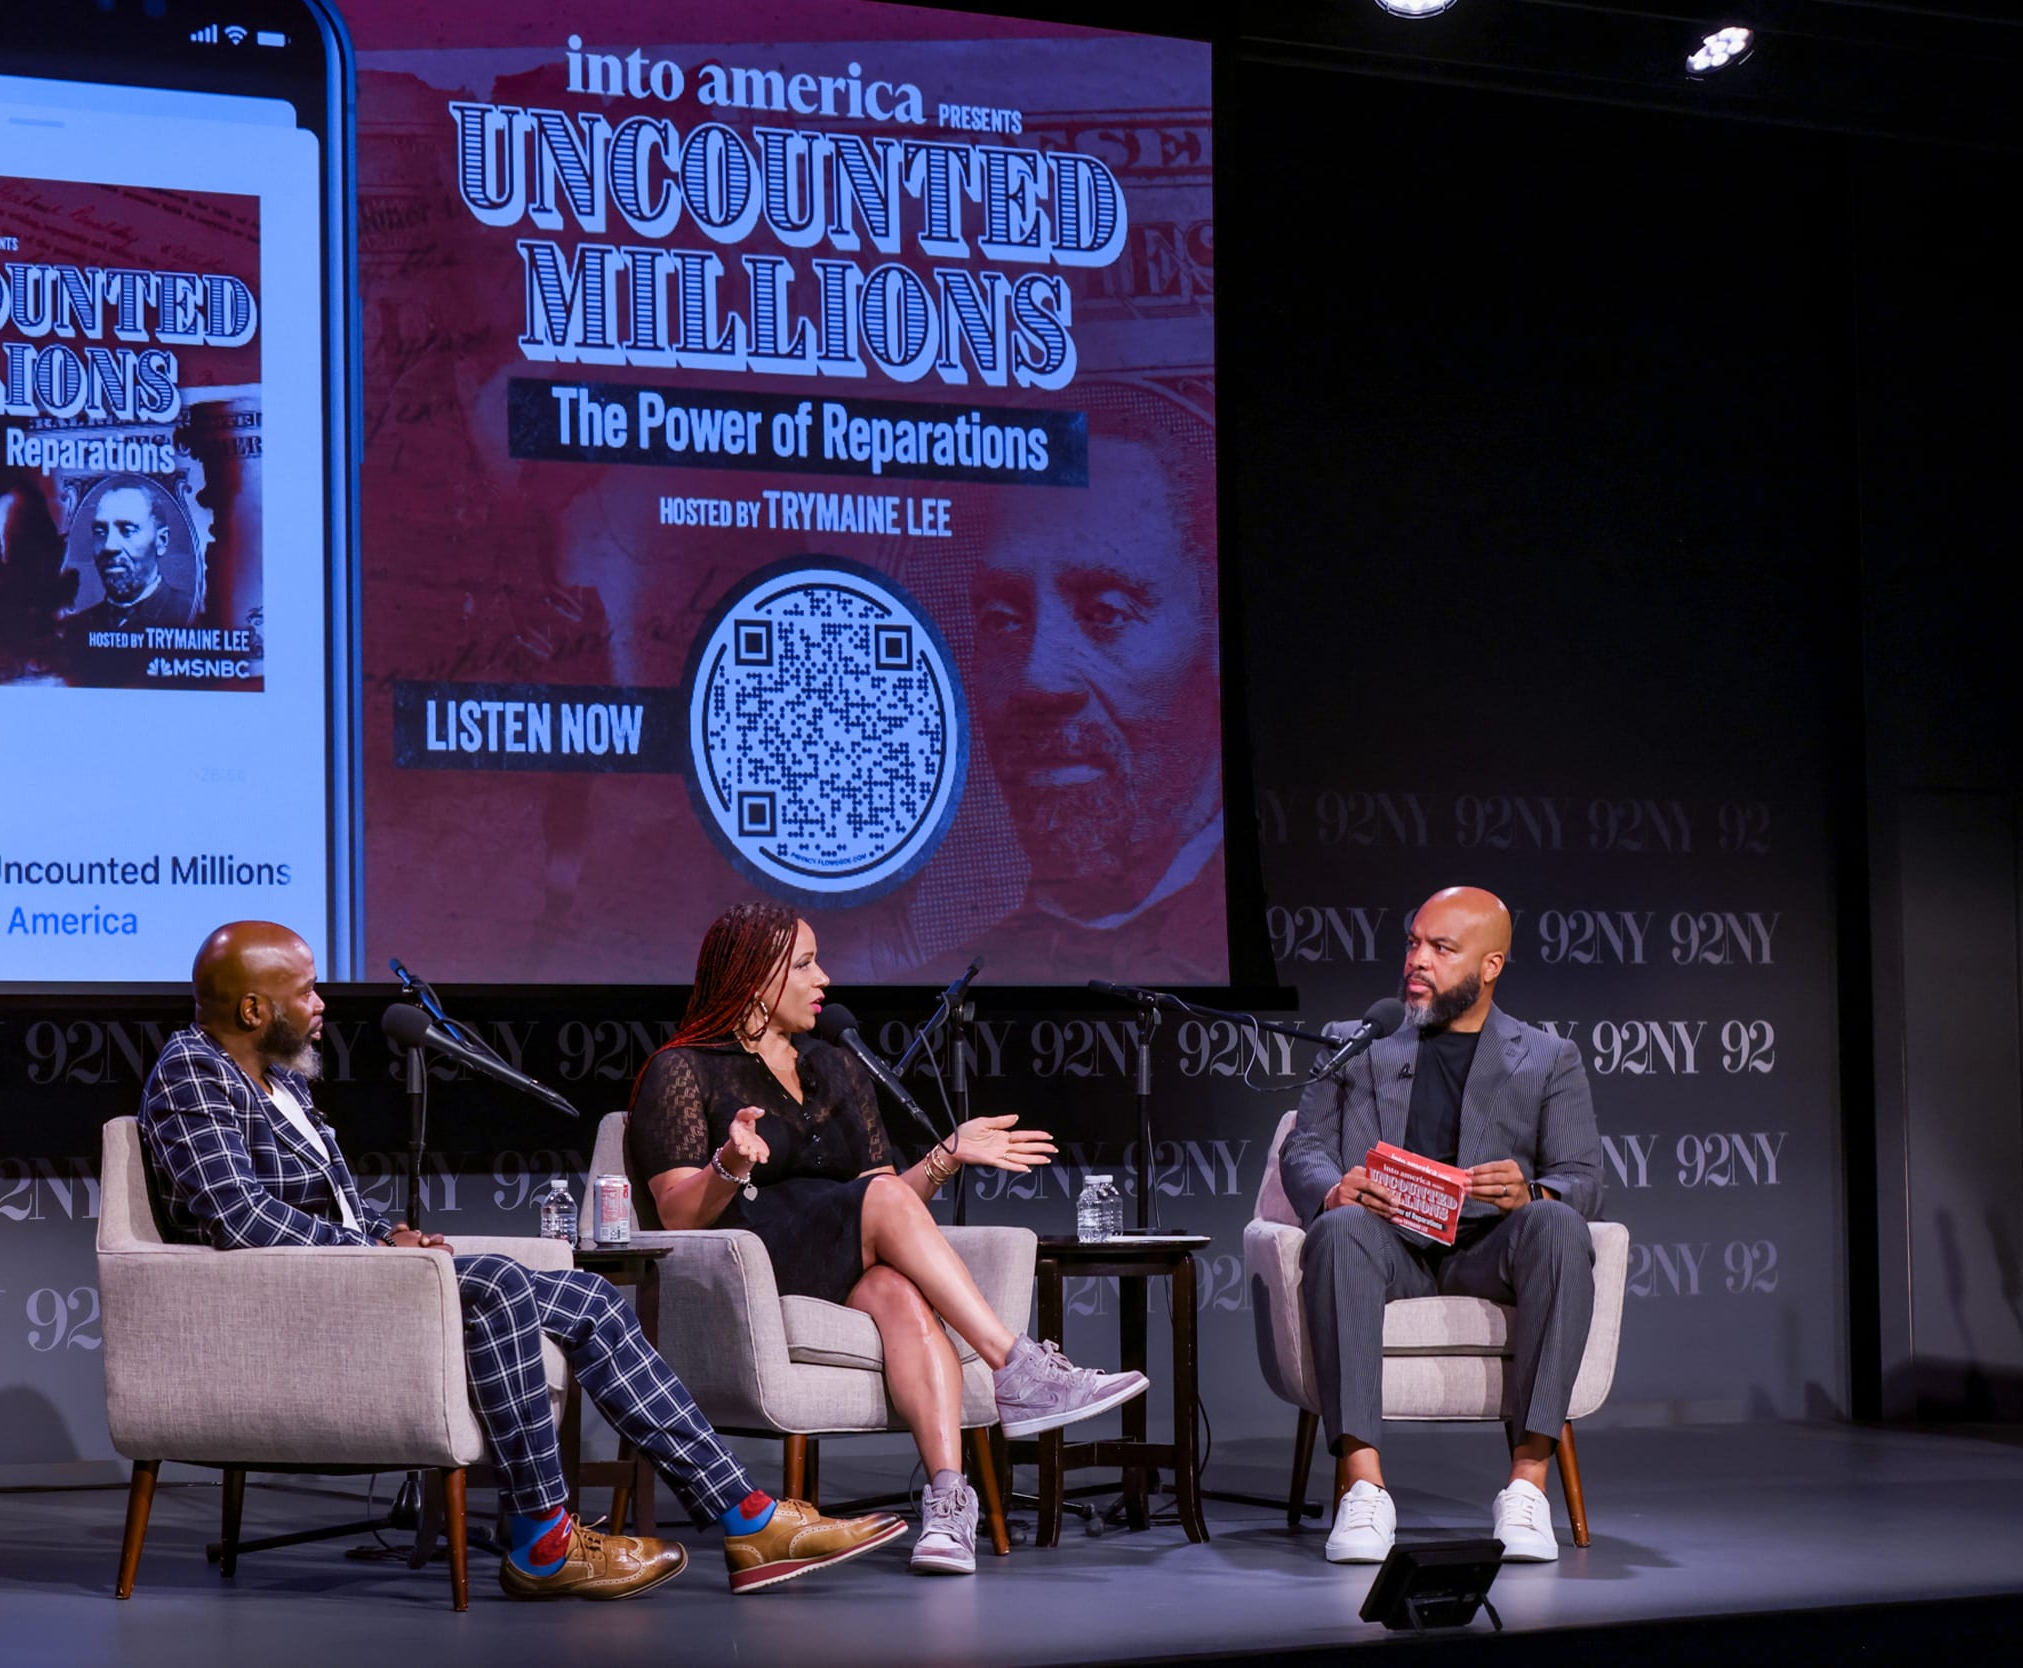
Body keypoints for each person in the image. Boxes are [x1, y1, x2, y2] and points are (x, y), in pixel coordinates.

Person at [138, 921, 907, 1601]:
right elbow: (241, 1217)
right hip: (290, 1300)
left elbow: (330, 1202)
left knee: (591, 1299)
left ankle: (746, 1519)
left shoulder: (278, 1085)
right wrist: (369, 1250)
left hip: (347, 1277)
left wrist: (388, 1230)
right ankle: (543, 1543)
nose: (321, 1006)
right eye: (305, 993)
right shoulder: (193, 1072)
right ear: (251, 1010)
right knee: (502, 1284)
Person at [628, 901, 1149, 1576]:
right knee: (878, 1204)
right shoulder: (685, 1068)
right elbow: (673, 1212)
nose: (826, 981)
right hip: (753, 1255)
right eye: (807, 965)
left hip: (837, 1245)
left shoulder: (835, 1065)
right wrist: (730, 1164)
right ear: (756, 978)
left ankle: (946, 1507)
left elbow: (887, 1197)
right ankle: (1014, 1365)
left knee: (902, 1295)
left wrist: (944, 1157)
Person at [1281, 886, 1604, 1564]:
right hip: (1386, 1245)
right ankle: (1364, 1492)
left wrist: (1532, 1190)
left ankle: (1526, 1488)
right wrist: (1333, 1189)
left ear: (1490, 966)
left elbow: (1583, 1175)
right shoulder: (1356, 1045)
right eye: (1413, 943)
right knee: (1336, 1230)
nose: (1417, 962)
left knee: (1559, 1225)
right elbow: (1305, 1147)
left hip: (1488, 1251)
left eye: (1441, 949)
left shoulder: (1547, 1057)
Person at [954, 418, 1226, 982]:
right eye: (1002, 620)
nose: (1038, 679)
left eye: (1106, 612)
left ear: (1214, 636)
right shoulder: (937, 988)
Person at [61, 480, 195, 639]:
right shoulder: (73, 630)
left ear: (161, 541)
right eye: (100, 531)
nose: (109, 546)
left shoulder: (192, 616)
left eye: (127, 530)